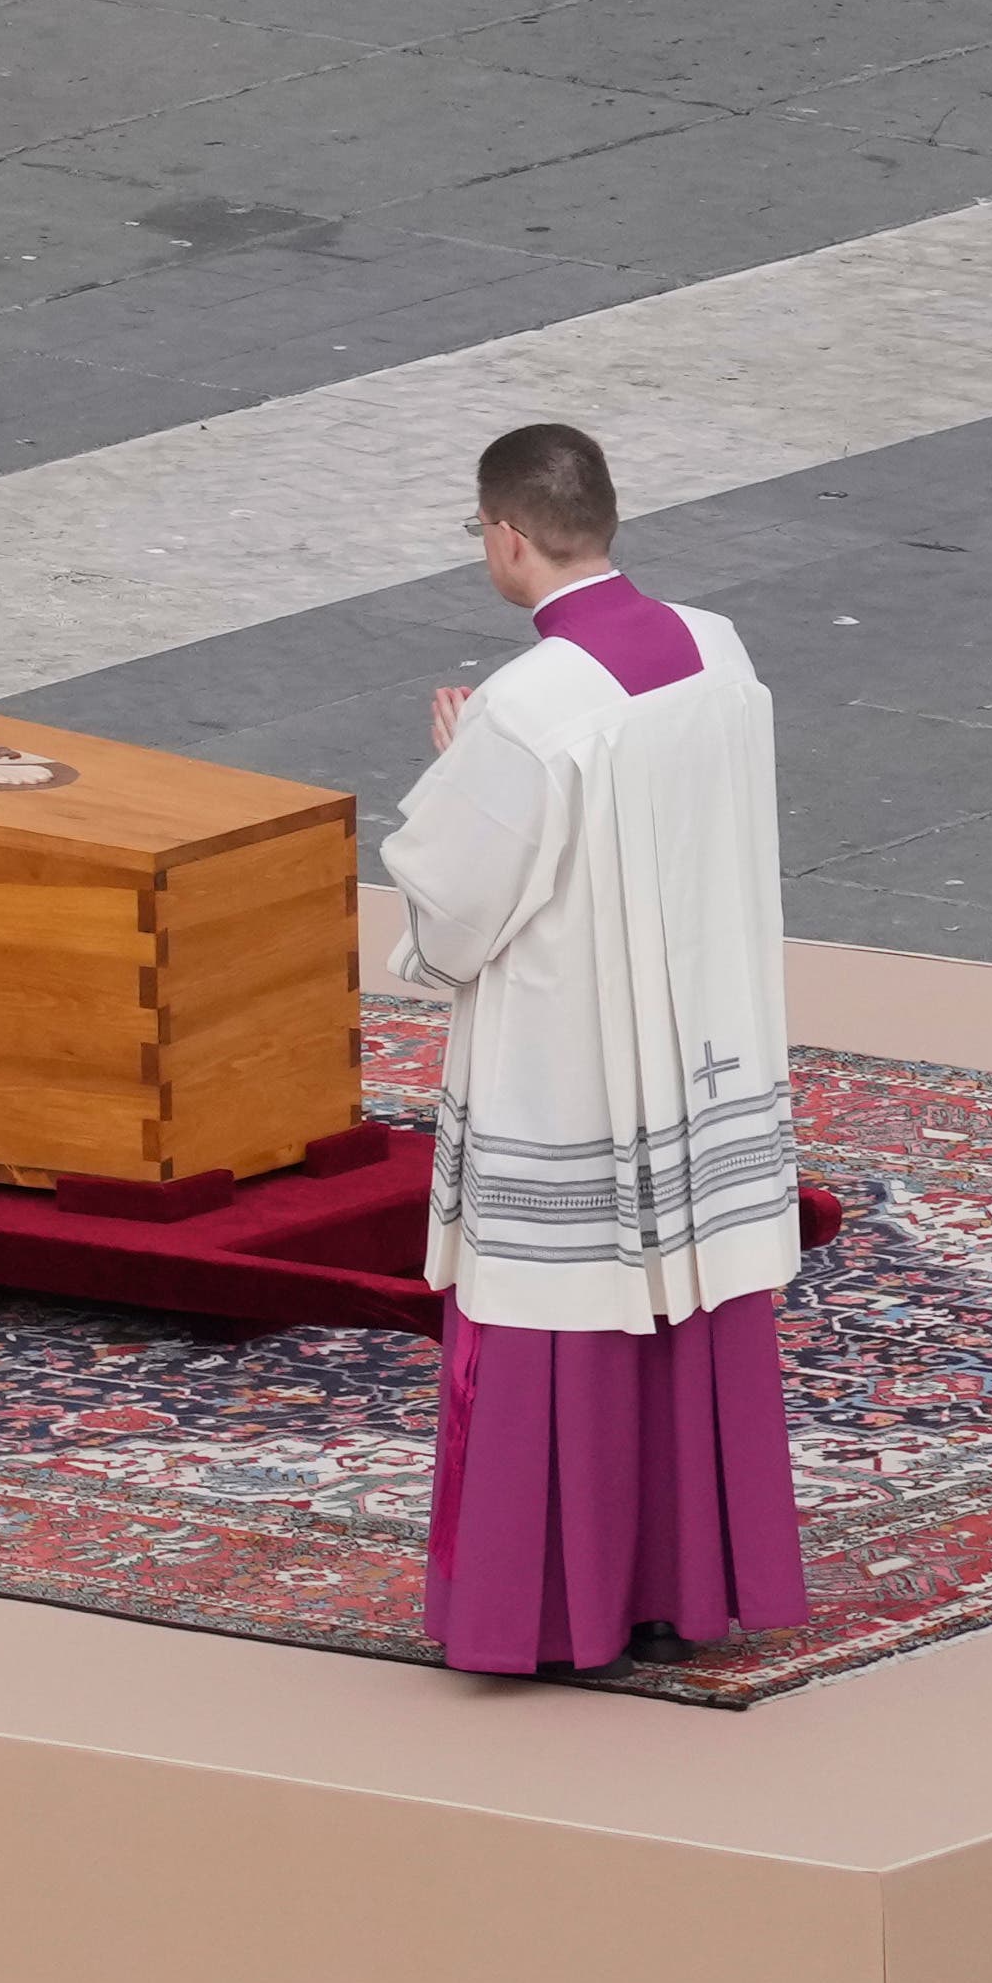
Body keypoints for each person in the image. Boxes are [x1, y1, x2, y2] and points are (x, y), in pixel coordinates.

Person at [396, 418, 812, 1682]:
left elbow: (457, 905)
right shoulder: (715, 647)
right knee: (682, 1302)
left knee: (556, 1319)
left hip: (575, 1057)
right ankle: (685, 1586)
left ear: (505, 536)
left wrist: (464, 762)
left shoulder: (528, 709)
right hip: (695, 1034)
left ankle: (543, 1613)